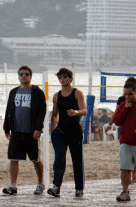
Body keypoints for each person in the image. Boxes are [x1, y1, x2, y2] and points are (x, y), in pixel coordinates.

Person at [3, 65, 46, 195]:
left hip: (31, 132)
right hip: (16, 131)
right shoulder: (14, 92)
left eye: (26, 74)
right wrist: (6, 127)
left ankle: (40, 183)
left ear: (31, 76)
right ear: (18, 76)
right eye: (21, 74)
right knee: (13, 158)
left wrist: (38, 128)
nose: (24, 76)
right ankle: (13, 185)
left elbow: (41, 111)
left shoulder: (37, 92)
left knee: (35, 158)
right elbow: (9, 110)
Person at [47, 68, 87, 198]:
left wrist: (76, 112)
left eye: (65, 76)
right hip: (60, 132)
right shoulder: (56, 96)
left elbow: (84, 110)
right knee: (59, 160)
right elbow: (54, 114)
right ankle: (56, 187)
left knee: (77, 161)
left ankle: (79, 189)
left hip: (74, 131)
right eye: (60, 77)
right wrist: (52, 129)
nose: (62, 79)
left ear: (70, 78)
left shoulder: (77, 93)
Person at [106, 77, 136, 183]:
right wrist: (109, 124)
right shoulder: (121, 99)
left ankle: (134, 173)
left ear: (135, 89)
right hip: (124, 128)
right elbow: (116, 113)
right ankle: (128, 175)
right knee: (125, 152)